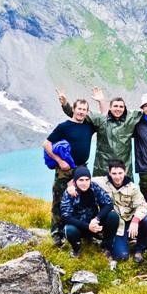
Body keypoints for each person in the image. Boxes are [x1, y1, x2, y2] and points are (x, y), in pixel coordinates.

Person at [58, 87, 147, 177]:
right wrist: (65, 104)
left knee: (126, 200)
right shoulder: (100, 119)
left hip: (123, 169)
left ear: (125, 108)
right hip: (102, 167)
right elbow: (78, 115)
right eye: (115, 106)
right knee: (101, 198)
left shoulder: (132, 117)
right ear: (110, 107)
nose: (118, 109)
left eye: (121, 106)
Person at [44, 99, 97, 245]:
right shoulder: (64, 127)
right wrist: (60, 161)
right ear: (73, 110)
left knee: (84, 201)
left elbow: (103, 118)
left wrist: (101, 101)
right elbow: (46, 144)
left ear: (87, 112)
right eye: (79, 109)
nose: (81, 112)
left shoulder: (89, 126)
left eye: (84, 109)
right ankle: (57, 233)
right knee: (59, 200)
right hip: (64, 170)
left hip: (81, 169)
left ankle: (82, 232)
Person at [91, 159, 147, 262]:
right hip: (117, 224)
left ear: (125, 172)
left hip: (131, 220)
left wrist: (136, 220)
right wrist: (72, 185)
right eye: (114, 173)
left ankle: (139, 250)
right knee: (121, 257)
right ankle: (109, 244)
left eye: (120, 173)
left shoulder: (133, 188)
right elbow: (83, 179)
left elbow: (142, 205)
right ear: (109, 173)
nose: (117, 176)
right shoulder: (101, 182)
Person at [60, 166, 120, 258]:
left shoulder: (94, 187)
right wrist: (87, 226)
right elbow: (65, 217)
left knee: (113, 216)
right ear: (75, 181)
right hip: (79, 227)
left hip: (95, 225)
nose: (84, 183)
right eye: (81, 180)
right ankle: (77, 249)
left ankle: (106, 247)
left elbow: (109, 203)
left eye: (87, 180)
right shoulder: (69, 193)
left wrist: (97, 219)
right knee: (69, 230)